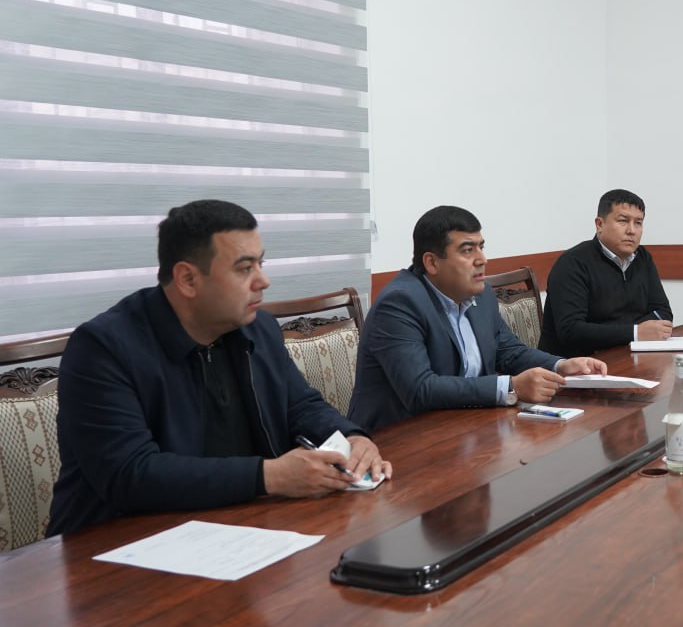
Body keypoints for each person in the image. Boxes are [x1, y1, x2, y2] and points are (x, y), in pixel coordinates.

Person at [49, 200, 391, 537]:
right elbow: (129, 474)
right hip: (117, 546)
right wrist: (269, 476)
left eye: (261, 263)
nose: (263, 281)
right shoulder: (103, 348)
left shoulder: (258, 328)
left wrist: (353, 437)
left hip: (240, 527)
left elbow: (300, 405)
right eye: (245, 269)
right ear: (188, 279)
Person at [348, 206, 606, 432]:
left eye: (481, 247)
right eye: (467, 250)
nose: (482, 259)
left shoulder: (480, 296)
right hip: (396, 440)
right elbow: (420, 390)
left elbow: (509, 352)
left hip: (462, 428)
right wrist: (511, 387)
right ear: (432, 263)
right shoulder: (400, 303)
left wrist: (560, 365)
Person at [539, 189, 674, 357]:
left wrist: (633, 332)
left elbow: (663, 312)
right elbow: (571, 330)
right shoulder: (572, 263)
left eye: (638, 223)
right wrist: (635, 332)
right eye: (623, 221)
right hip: (574, 364)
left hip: (626, 356)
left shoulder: (642, 258)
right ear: (599, 224)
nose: (632, 230)